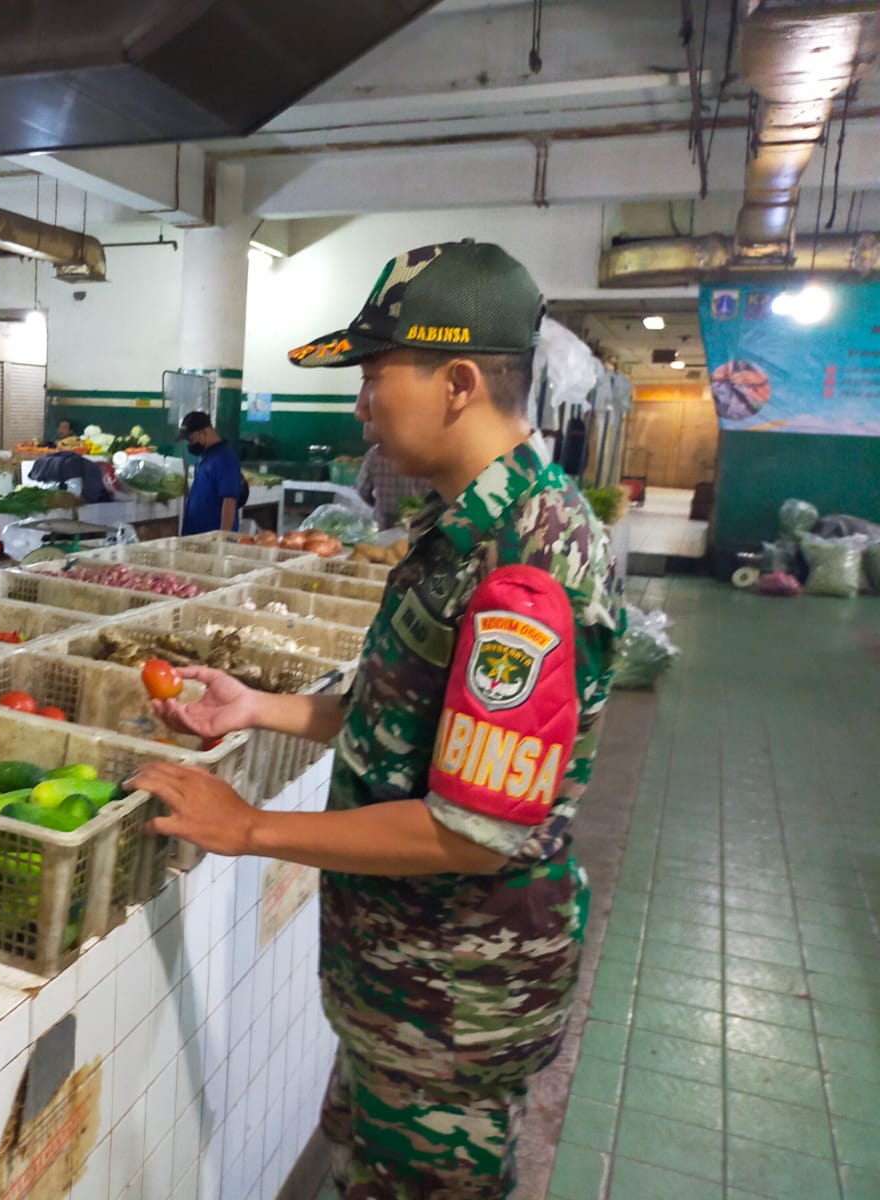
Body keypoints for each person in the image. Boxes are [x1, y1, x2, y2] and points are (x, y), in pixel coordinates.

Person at [132, 240, 623, 1199]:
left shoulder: (529, 558)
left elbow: (473, 829)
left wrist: (252, 829)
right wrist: (260, 706)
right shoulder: (468, 526)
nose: (361, 402)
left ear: (459, 381)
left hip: (456, 992)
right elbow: (406, 715)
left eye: (375, 373)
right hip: (405, 981)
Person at [177, 410, 244, 536]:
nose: (190, 444)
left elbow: (229, 501)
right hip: (196, 536)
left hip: (212, 539)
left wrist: (223, 538)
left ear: (205, 432)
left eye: (191, 439)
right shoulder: (205, 457)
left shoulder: (225, 459)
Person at [355, 441, 431, 529]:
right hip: (422, 525)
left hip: (386, 526)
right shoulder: (429, 452)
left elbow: (362, 490)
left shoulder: (375, 453)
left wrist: (380, 505)